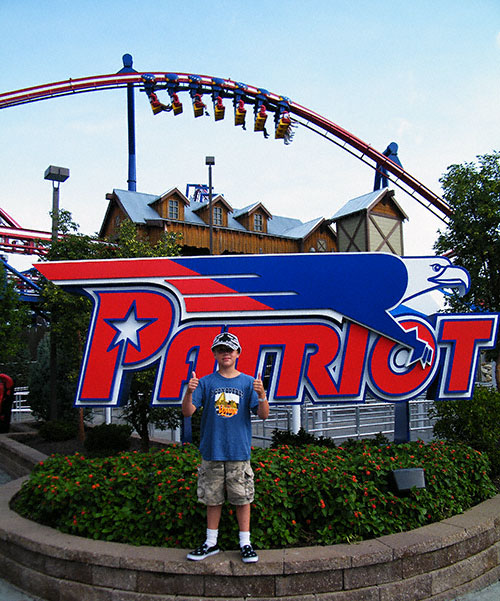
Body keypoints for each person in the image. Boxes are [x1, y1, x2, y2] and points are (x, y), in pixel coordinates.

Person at [182, 331, 269, 563]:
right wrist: (189, 392)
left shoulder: (249, 382)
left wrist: (262, 395)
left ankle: (245, 542)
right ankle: (211, 542)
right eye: (221, 350)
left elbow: (263, 415)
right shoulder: (206, 382)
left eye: (230, 350)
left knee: (243, 498)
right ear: (214, 354)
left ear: (238, 353)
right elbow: (188, 411)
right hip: (212, 450)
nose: (225, 354)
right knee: (213, 499)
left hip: (238, 452)